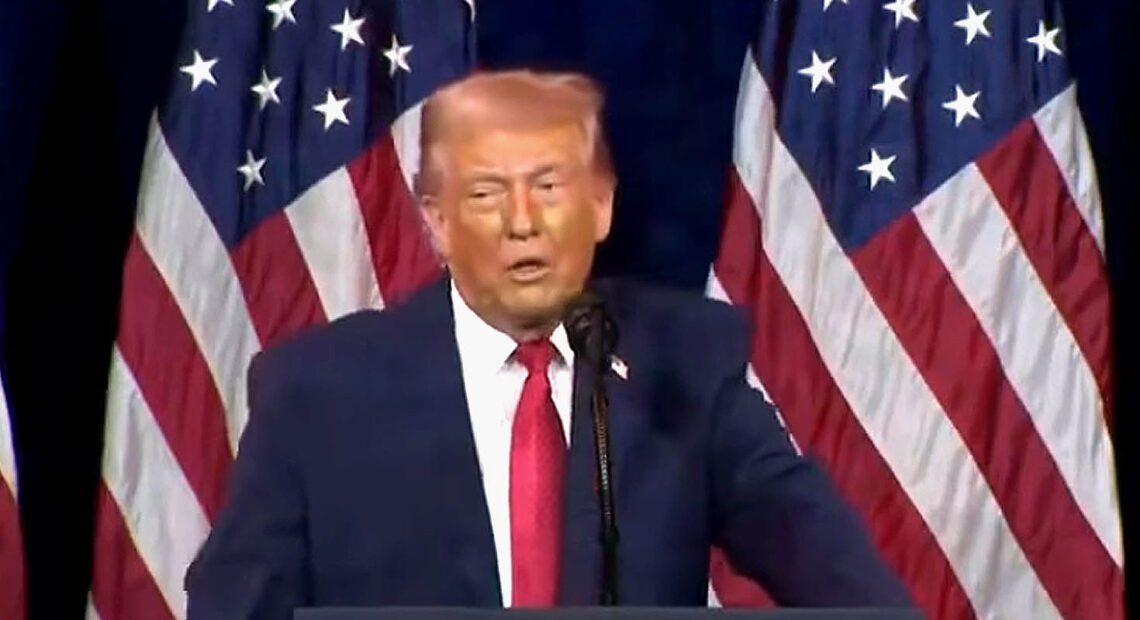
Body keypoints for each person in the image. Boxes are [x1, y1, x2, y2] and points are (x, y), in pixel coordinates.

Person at [185, 69, 913, 619]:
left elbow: (845, 582)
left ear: (601, 205)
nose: (523, 222)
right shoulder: (318, 393)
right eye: (486, 193)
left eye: (550, 187)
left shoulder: (686, 365)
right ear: (436, 222)